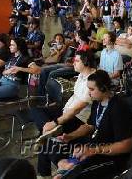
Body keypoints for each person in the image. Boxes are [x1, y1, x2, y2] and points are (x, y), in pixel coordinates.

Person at [53, 70, 132, 179]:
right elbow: (90, 126)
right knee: (52, 145)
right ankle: (64, 167)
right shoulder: (97, 101)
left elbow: (126, 146)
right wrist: (69, 136)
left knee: (71, 172)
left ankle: (65, 169)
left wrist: (93, 150)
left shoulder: (118, 108)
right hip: (94, 147)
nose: (88, 93)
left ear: (104, 88)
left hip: (111, 158)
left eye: (91, 89)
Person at [30, 50, 96, 178]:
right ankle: (51, 131)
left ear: (86, 62)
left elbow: (77, 109)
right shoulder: (81, 75)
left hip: (77, 118)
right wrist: (58, 108)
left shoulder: (92, 80)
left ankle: (44, 173)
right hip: (66, 110)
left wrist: (55, 122)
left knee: (46, 139)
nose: (73, 63)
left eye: (76, 61)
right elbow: (74, 97)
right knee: (35, 109)